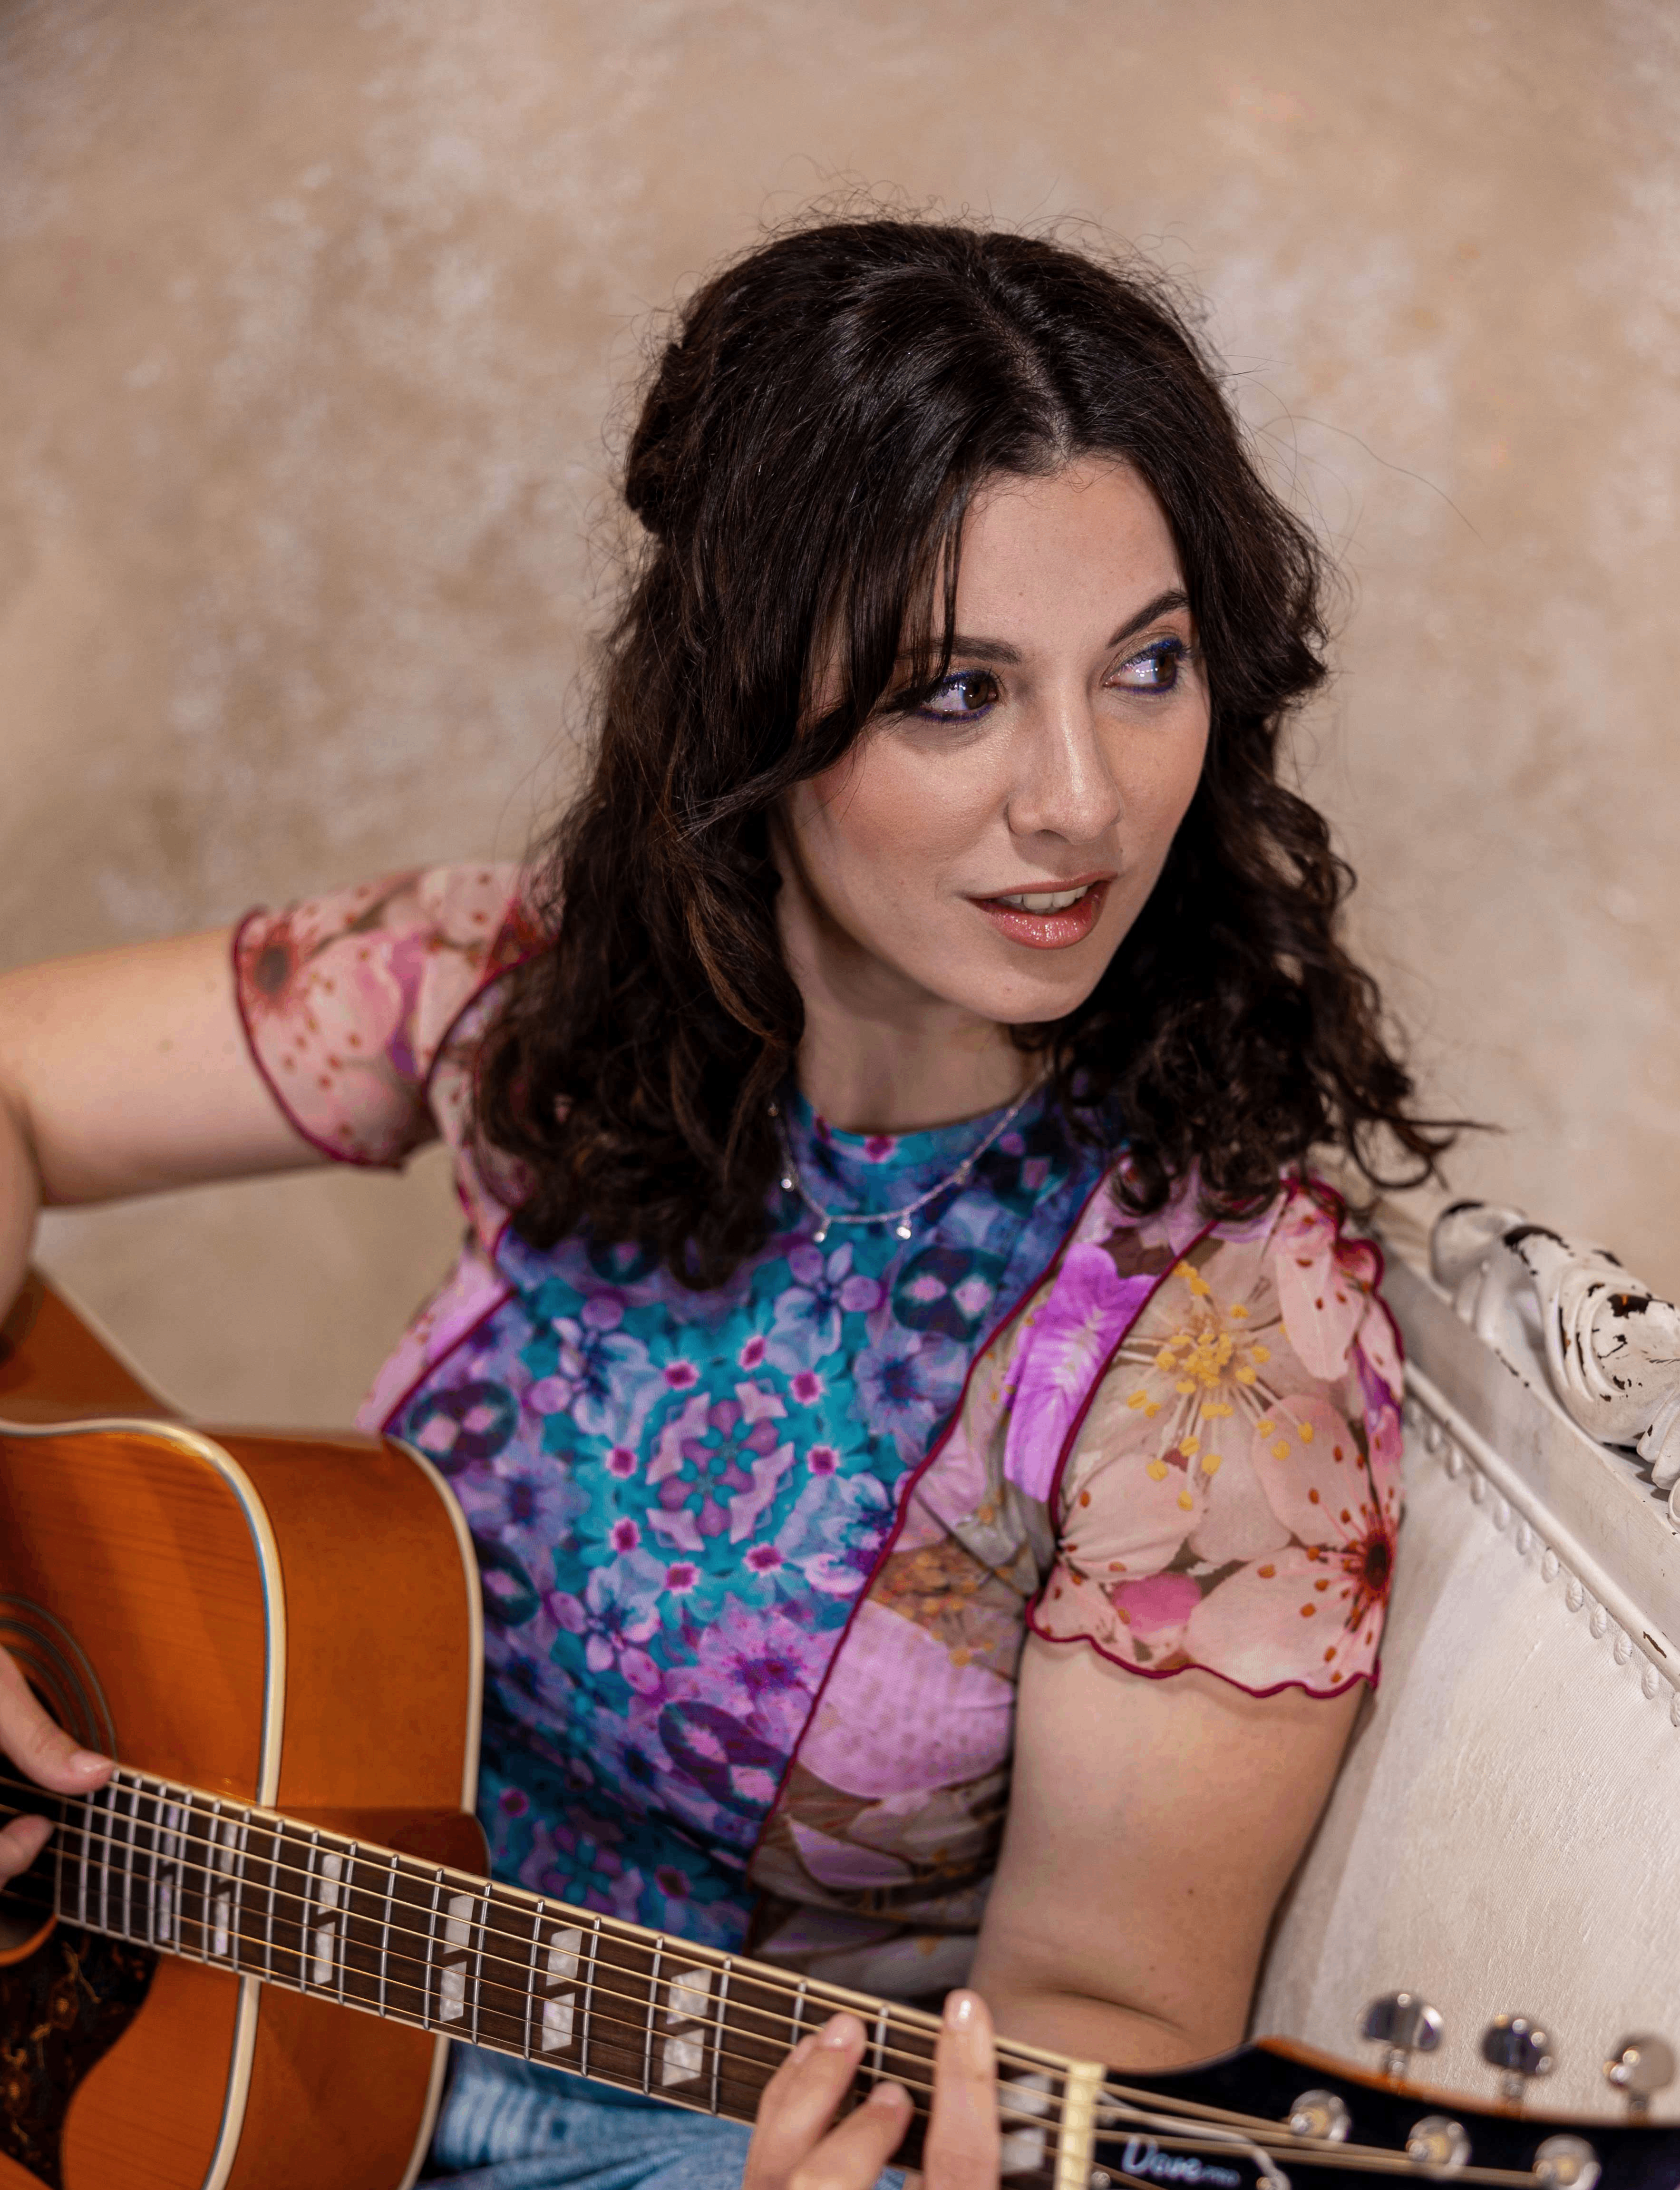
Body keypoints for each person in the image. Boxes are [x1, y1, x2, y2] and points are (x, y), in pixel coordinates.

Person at [0, 219, 1446, 2188]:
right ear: (748, 701)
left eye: (1146, 667)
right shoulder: (534, 991)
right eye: (957, 692)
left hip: (679, 2136)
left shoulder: (1216, 1342)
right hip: (218, 2018)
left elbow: (1106, 2016)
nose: (1086, 801)